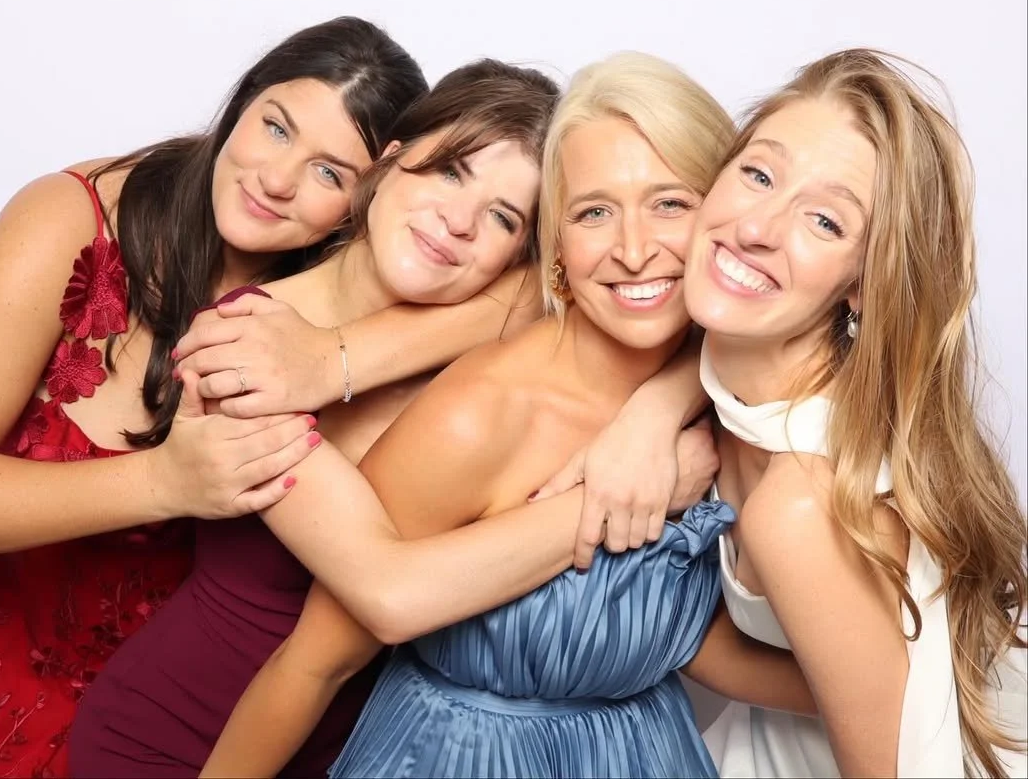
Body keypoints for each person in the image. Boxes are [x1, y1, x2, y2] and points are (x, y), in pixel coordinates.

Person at [69, 55, 716, 779]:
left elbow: (651, 293)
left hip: (371, 745)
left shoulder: (495, 325)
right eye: (448, 172)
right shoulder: (240, 346)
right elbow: (387, 594)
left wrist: (657, 412)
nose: (459, 221)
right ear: (386, 167)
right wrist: (631, 490)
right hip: (183, 741)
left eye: (504, 216)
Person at [0, 15, 558, 779]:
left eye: (331, 171)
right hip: (18, 696)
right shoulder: (78, 222)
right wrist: (161, 482)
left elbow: (563, 283)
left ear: (369, 186)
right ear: (242, 104)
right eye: (274, 128)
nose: (277, 179)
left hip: (221, 719)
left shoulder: (350, 292)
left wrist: (336, 357)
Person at [197, 52, 818, 779]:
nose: (635, 249)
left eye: (671, 203)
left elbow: (680, 637)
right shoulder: (478, 417)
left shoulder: (727, 393)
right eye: (594, 212)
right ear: (555, 246)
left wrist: (910, 691)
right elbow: (314, 667)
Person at [664, 48, 1027, 778]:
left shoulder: (803, 503)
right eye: (758, 174)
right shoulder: (732, 396)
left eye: (825, 222)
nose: (758, 226)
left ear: (861, 286)